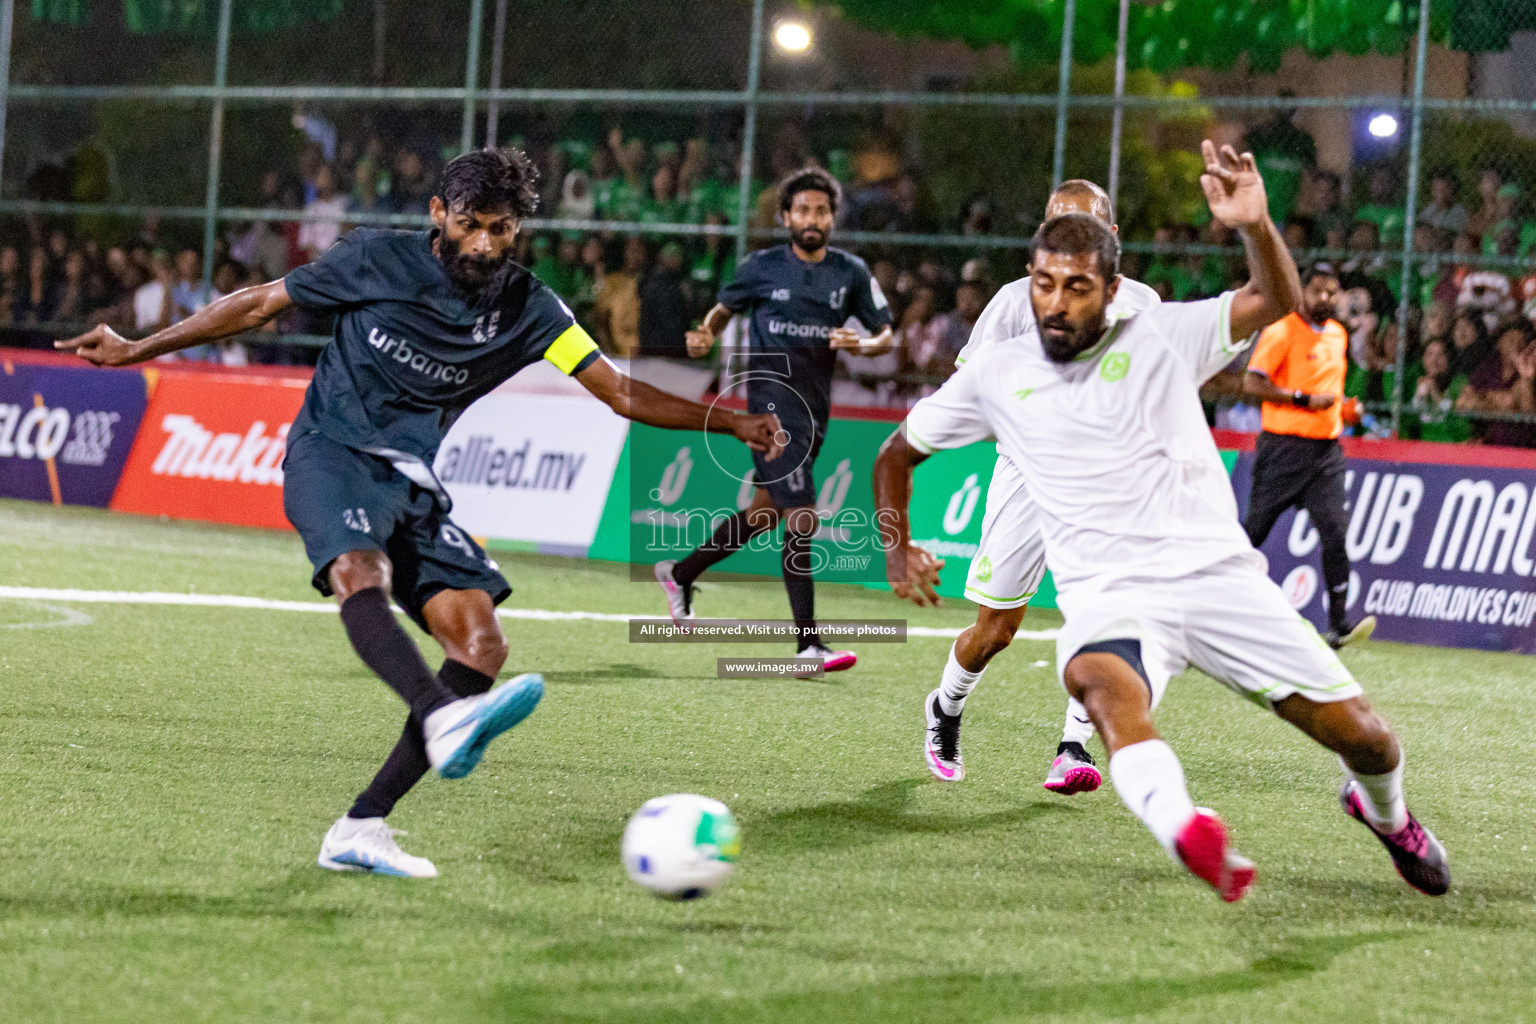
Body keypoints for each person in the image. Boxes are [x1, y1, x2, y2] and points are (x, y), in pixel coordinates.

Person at [58, 148, 783, 879]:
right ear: (438, 214)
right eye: (470, 224)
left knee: (480, 643)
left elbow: (619, 392)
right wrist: (138, 349)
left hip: (413, 478)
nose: (484, 243)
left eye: (501, 229)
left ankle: (362, 825)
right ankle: (440, 715)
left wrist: (730, 423)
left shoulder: (531, 309)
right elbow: (259, 303)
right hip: (332, 449)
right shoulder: (374, 258)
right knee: (357, 567)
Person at [875, 142, 1448, 902]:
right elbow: (896, 452)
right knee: (1098, 685)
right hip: (1111, 591)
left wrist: (1256, 224)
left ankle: (1385, 814)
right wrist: (895, 548)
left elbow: (1272, 300)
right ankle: (1184, 828)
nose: (1055, 301)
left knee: (1367, 741)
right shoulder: (998, 365)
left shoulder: (1159, 330)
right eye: (1044, 283)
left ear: (1112, 286)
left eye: (1076, 286)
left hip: (1215, 578)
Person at [875, 179, 1159, 792]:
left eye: (1082, 227)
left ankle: (1072, 748)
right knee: (995, 631)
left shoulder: (1143, 303)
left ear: (1110, 237)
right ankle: (945, 708)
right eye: (1055, 228)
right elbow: (968, 394)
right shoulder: (1011, 303)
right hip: (1027, 479)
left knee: (1104, 618)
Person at [656, 167, 895, 675]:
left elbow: (886, 336)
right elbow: (722, 311)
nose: (812, 219)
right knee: (801, 513)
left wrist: (863, 343)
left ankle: (680, 572)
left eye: (822, 211)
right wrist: (704, 333)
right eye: (803, 210)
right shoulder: (761, 266)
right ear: (786, 217)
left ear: (833, 218)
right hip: (769, 407)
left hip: (814, 411)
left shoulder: (850, 273)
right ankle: (808, 645)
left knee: (765, 511)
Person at [1240, 262, 1376, 648]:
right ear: (1302, 291)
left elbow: (1329, 389)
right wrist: (1301, 399)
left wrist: (1346, 410)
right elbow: (1252, 383)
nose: (1325, 298)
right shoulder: (1281, 330)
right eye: (1317, 290)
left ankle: (1339, 625)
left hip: (1325, 454)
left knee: (1335, 531)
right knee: (1253, 533)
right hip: (1283, 449)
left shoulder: (1337, 334)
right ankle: (1201, 608)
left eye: (1332, 292)